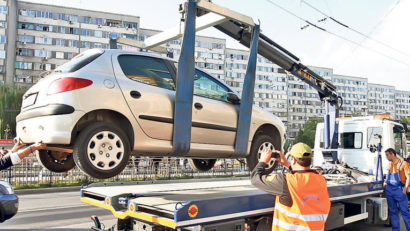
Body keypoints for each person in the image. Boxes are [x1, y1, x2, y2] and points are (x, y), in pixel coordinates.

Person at [251, 142, 331, 231]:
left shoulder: (286, 181)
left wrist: (263, 161)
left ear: (293, 159)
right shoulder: (321, 180)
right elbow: (302, 176)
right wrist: (287, 165)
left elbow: (255, 179)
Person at [384, 148, 410, 231]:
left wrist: (405, 189)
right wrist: (385, 183)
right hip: (390, 190)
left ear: (393, 154)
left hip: (400, 190)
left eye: (387, 155)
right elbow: (388, 176)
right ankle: (396, 229)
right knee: (393, 212)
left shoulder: (403, 164)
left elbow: (408, 177)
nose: (386, 157)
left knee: (405, 213)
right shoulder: (390, 164)